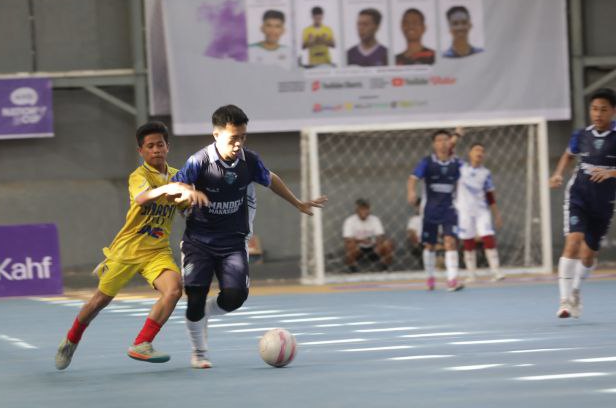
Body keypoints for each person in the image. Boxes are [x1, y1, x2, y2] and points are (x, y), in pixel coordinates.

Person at [173, 104, 327, 368]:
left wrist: (297, 202)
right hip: (199, 240)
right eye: (234, 138)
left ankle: (205, 313)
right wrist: (184, 194)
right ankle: (199, 352)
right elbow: (177, 185)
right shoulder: (199, 161)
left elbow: (271, 178)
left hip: (233, 241)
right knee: (195, 296)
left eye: (243, 137)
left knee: (235, 298)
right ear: (216, 135)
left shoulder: (249, 161)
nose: (239, 143)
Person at [54, 121, 205, 370]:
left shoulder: (178, 176)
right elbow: (143, 197)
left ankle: (142, 343)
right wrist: (173, 188)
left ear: (168, 147)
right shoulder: (139, 176)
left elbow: (185, 209)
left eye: (160, 145)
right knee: (98, 302)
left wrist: (193, 201)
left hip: (157, 251)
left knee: (175, 289)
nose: (156, 150)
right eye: (150, 146)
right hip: (127, 250)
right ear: (141, 151)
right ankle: (71, 339)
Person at [549, 88, 616, 319]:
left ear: (613, 112)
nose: (598, 114)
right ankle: (564, 301)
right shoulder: (581, 135)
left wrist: (611, 173)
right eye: (594, 109)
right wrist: (558, 174)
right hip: (578, 196)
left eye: (603, 110)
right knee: (573, 242)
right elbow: (568, 155)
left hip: (604, 202)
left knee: (588, 256)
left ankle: (576, 291)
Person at [407, 129, 464, 291]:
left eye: (445, 140)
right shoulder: (427, 162)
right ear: (434, 144)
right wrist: (411, 191)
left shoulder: (457, 163)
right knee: (430, 245)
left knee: (450, 241)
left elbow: (466, 177)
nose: (442, 143)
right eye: (438, 141)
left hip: (449, 208)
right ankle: (430, 277)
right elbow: (412, 178)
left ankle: (452, 279)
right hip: (430, 209)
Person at [456, 143, 504, 283]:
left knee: (488, 237)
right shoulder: (461, 168)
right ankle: (471, 274)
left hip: (481, 210)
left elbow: (490, 196)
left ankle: (496, 271)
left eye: (482, 151)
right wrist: (457, 136)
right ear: (469, 153)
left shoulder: (486, 173)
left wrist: (497, 215)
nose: (479, 153)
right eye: (476, 150)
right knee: (468, 240)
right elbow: (450, 150)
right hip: (464, 210)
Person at [342, 198, 395, 272]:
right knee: (350, 245)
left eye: (366, 209)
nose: (365, 211)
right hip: (358, 249)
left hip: (373, 247)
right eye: (362, 209)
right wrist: (361, 240)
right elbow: (347, 239)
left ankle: (384, 268)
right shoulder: (350, 221)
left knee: (388, 243)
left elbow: (380, 236)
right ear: (357, 210)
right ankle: (352, 269)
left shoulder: (375, 219)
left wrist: (376, 243)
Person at [406, 198, 424, 269]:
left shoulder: (433, 218)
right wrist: (416, 242)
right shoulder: (414, 219)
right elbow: (411, 233)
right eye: (418, 206)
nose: (420, 208)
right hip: (419, 243)